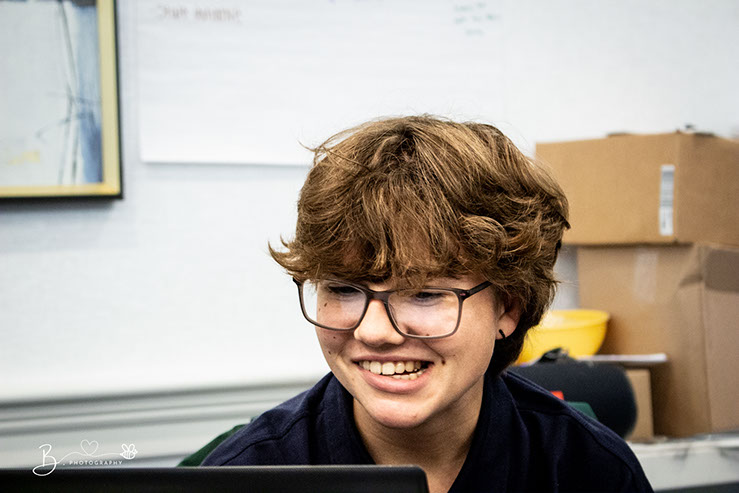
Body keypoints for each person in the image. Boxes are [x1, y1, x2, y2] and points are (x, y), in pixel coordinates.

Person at [194, 116, 653, 493]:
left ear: (508, 308)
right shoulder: (246, 476)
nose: (374, 332)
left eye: (424, 294)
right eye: (344, 290)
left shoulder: (589, 470)